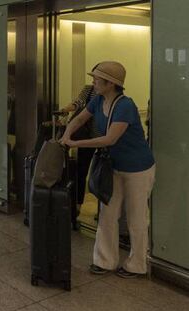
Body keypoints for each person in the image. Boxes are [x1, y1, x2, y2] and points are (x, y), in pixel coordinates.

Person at [60, 61, 155, 278]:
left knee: (135, 217)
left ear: (110, 83)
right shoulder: (98, 100)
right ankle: (105, 260)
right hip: (114, 166)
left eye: (97, 78)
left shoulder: (125, 106)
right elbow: (80, 118)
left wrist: (75, 144)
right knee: (107, 213)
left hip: (137, 169)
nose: (93, 81)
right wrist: (67, 133)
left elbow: (110, 139)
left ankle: (137, 264)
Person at [61, 82, 98, 215]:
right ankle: (75, 205)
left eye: (96, 78)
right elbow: (78, 103)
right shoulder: (88, 89)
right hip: (84, 134)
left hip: (98, 136)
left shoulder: (109, 96)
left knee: (92, 171)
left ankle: (81, 205)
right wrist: (65, 109)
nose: (94, 81)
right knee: (79, 169)